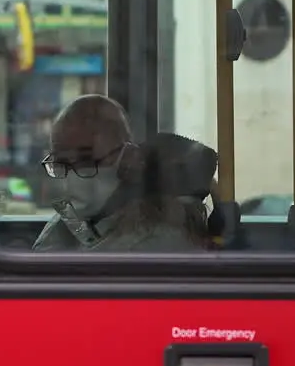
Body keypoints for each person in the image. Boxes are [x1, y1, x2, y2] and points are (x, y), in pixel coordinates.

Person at [31, 95, 215, 252]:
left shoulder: (163, 233)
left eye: (86, 160)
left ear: (128, 158)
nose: (71, 179)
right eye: (62, 163)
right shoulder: (73, 219)